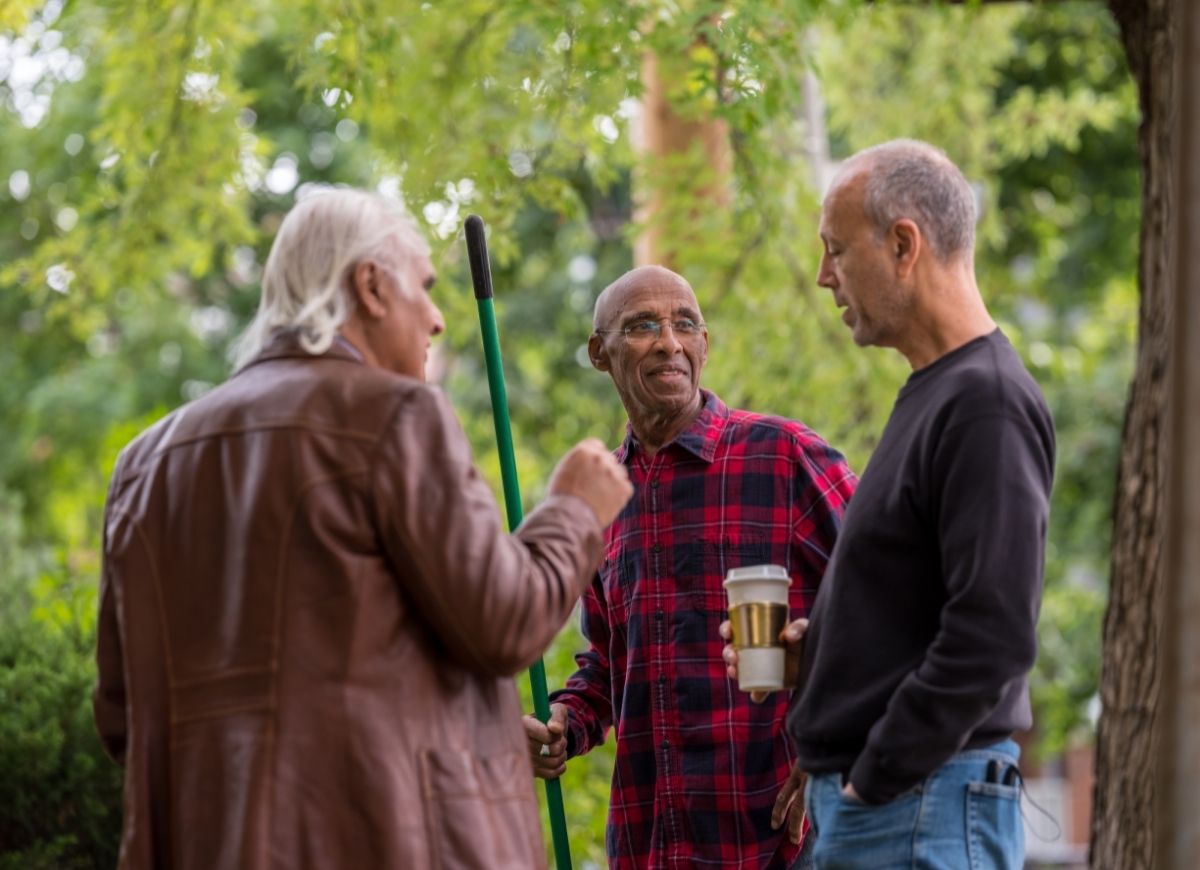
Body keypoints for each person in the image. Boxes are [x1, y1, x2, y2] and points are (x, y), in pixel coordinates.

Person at [92, 189, 633, 870]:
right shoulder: (396, 415)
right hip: (379, 840)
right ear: (371, 286)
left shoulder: (144, 463)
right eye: (427, 289)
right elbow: (503, 621)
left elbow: (121, 716)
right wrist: (573, 512)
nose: (437, 319)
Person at [724, 139, 1055, 869]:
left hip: (916, 810)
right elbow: (930, 604)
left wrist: (873, 778)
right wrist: (830, 658)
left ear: (903, 244)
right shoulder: (938, 392)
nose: (822, 277)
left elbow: (992, 634)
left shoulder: (985, 404)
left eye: (836, 250)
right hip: (895, 809)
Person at [522, 265, 856, 869]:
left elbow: (894, 598)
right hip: (652, 840)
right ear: (601, 353)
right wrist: (563, 726)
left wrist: (834, 741)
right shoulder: (602, 500)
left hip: (780, 841)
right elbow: (606, 665)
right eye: (643, 326)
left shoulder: (785, 456)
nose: (669, 343)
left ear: (705, 344)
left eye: (685, 325)